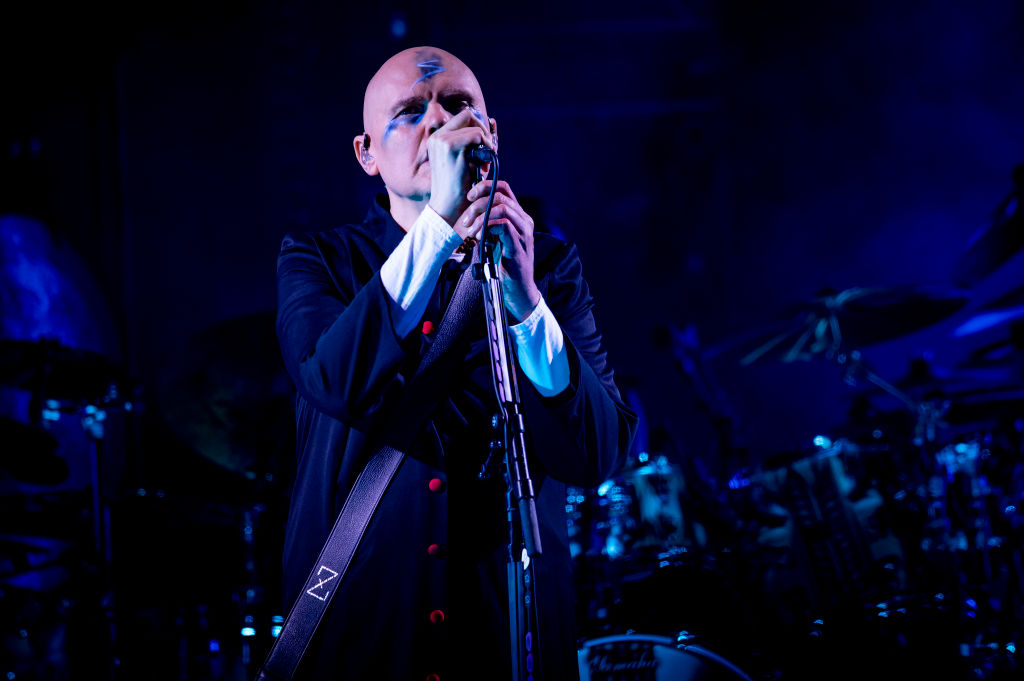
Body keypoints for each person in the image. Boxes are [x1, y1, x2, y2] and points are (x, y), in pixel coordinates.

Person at [275, 45, 636, 680]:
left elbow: (599, 452)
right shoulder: (318, 261)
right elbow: (333, 378)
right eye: (410, 112)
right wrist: (439, 223)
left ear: (490, 133)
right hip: (363, 633)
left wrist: (527, 303)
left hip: (508, 635)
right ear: (368, 154)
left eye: (458, 105)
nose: (440, 124)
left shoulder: (548, 266)